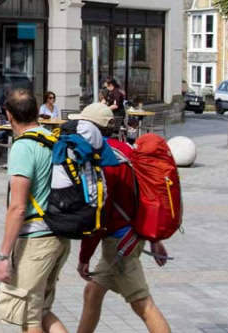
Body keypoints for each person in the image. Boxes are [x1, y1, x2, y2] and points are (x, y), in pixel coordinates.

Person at [72, 103, 170, 333]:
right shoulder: (126, 151)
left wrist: (84, 257)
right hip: (130, 237)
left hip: (120, 244)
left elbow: (98, 213)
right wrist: (154, 238)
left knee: (144, 305)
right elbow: (145, 197)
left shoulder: (102, 161)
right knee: (92, 293)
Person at [0, 88, 70, 333]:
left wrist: (4, 256)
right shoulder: (51, 138)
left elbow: (17, 208)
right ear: (37, 111)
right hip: (59, 235)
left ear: (9, 115)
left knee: (29, 318)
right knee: (42, 310)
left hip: (36, 240)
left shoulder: (23, 147)